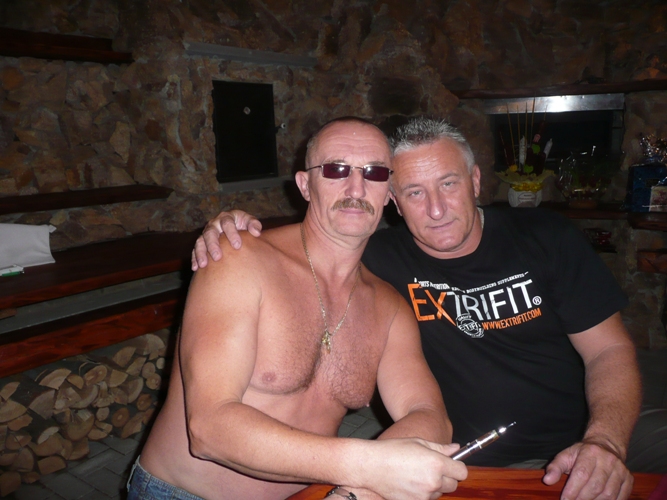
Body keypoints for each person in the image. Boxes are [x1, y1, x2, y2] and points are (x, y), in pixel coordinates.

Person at [194, 117, 643, 500]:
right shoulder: (376, 261)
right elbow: (322, 237)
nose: (436, 210)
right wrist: (229, 228)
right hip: (458, 461)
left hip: (582, 441)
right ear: (392, 200)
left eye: (448, 183)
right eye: (413, 192)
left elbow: (609, 350)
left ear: (475, 181)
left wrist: (604, 440)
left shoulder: (546, 237)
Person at [131, 117, 467, 500]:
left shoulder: (389, 307)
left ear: (388, 193)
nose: (356, 188)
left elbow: (430, 415)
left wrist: (357, 492)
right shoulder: (240, 259)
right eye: (336, 169)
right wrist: (369, 467)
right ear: (305, 185)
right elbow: (209, 428)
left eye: (373, 173)